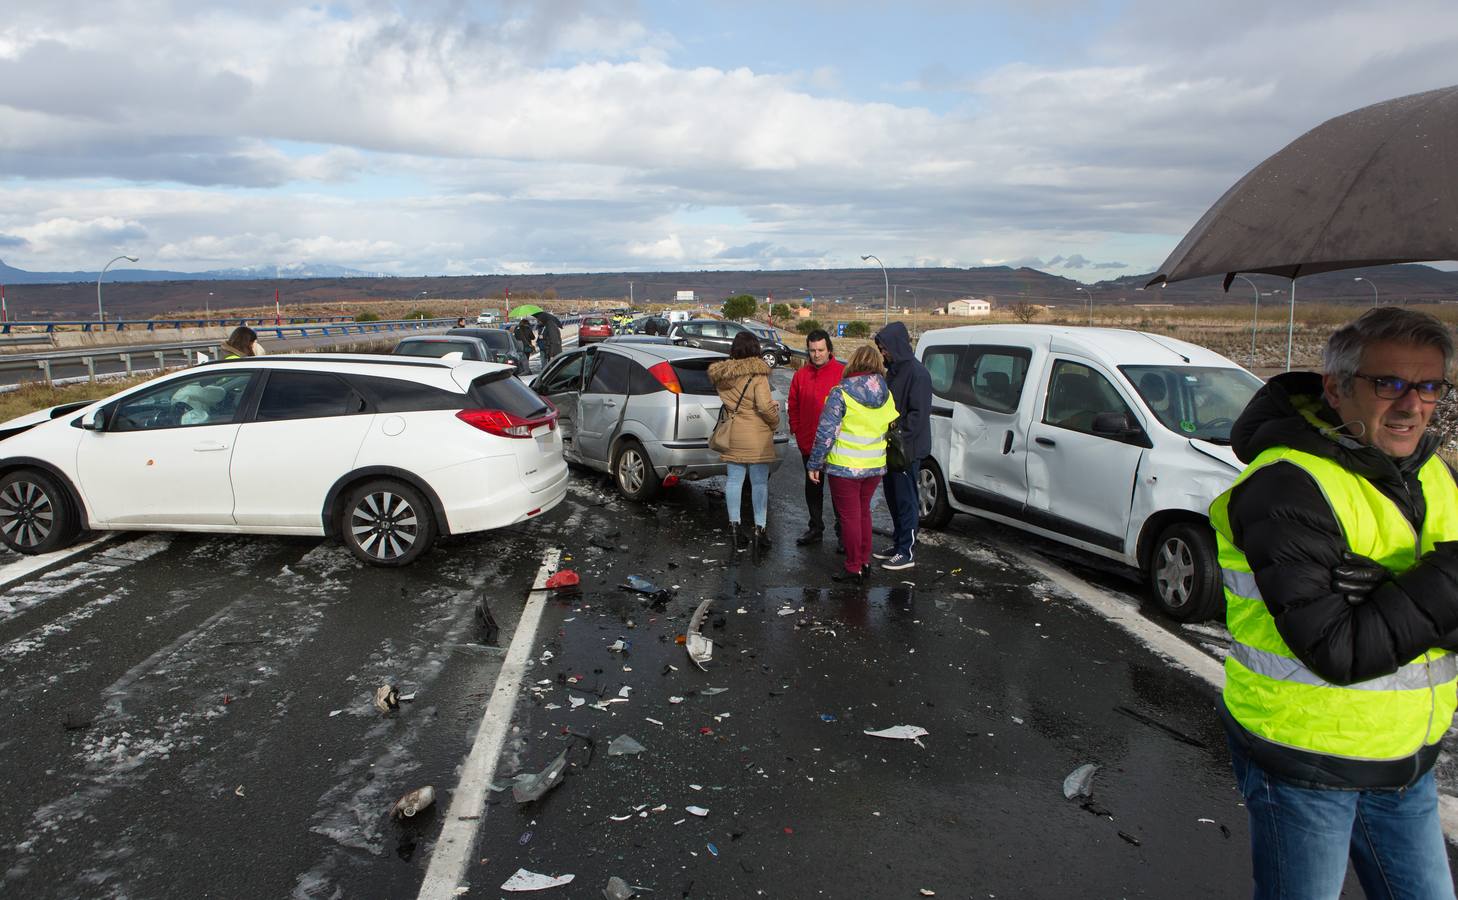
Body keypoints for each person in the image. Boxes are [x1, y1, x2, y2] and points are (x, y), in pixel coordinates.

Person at [1210, 306, 1458, 899]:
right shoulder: (1286, 485)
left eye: (1429, 386)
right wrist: (1447, 578)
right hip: (1307, 759)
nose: (1411, 405)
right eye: (1389, 383)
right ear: (1336, 387)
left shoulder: (1432, 473)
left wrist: (1395, 595)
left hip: (1407, 757)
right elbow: (1339, 649)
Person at [806, 344, 897, 584]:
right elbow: (891, 425)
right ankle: (864, 561)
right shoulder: (886, 393)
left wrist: (814, 463)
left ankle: (853, 565)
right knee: (863, 513)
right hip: (875, 465)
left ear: (853, 362)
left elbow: (826, 432)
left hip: (845, 466)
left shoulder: (840, 392)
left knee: (849, 517)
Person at [708, 331, 781, 564]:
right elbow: (764, 407)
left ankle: (734, 529)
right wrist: (775, 419)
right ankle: (760, 530)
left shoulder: (723, 376)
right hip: (757, 435)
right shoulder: (758, 375)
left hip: (734, 433)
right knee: (759, 482)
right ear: (755, 349)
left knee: (734, 480)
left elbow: (732, 403)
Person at [872, 322, 932, 570]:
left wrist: (898, 437)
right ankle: (898, 542)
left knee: (906, 499)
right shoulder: (893, 371)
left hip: (907, 449)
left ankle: (906, 550)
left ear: (895, 346)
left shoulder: (918, 374)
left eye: (884, 348)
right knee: (893, 498)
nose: (882, 353)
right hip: (891, 447)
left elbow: (918, 415)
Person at [787, 329, 847, 549]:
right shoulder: (801, 375)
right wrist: (796, 428)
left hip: (837, 445)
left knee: (840, 491)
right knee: (813, 488)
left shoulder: (842, 373)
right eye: (812, 350)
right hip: (808, 443)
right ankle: (815, 527)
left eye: (821, 350)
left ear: (829, 349)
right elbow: (792, 404)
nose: (816, 354)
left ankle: (843, 533)